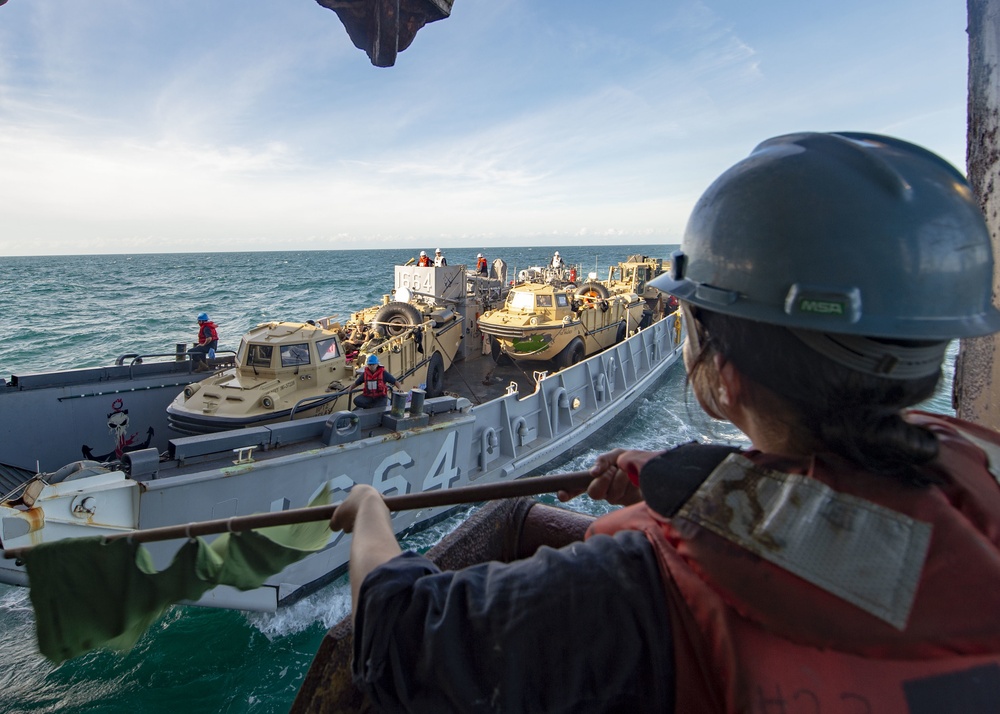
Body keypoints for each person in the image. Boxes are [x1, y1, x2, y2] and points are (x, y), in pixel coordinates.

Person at [330, 133, 1000, 712]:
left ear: (725, 373)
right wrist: (671, 480)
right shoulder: (975, 468)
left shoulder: (635, 591)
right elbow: (842, 532)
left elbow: (395, 637)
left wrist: (369, 513)